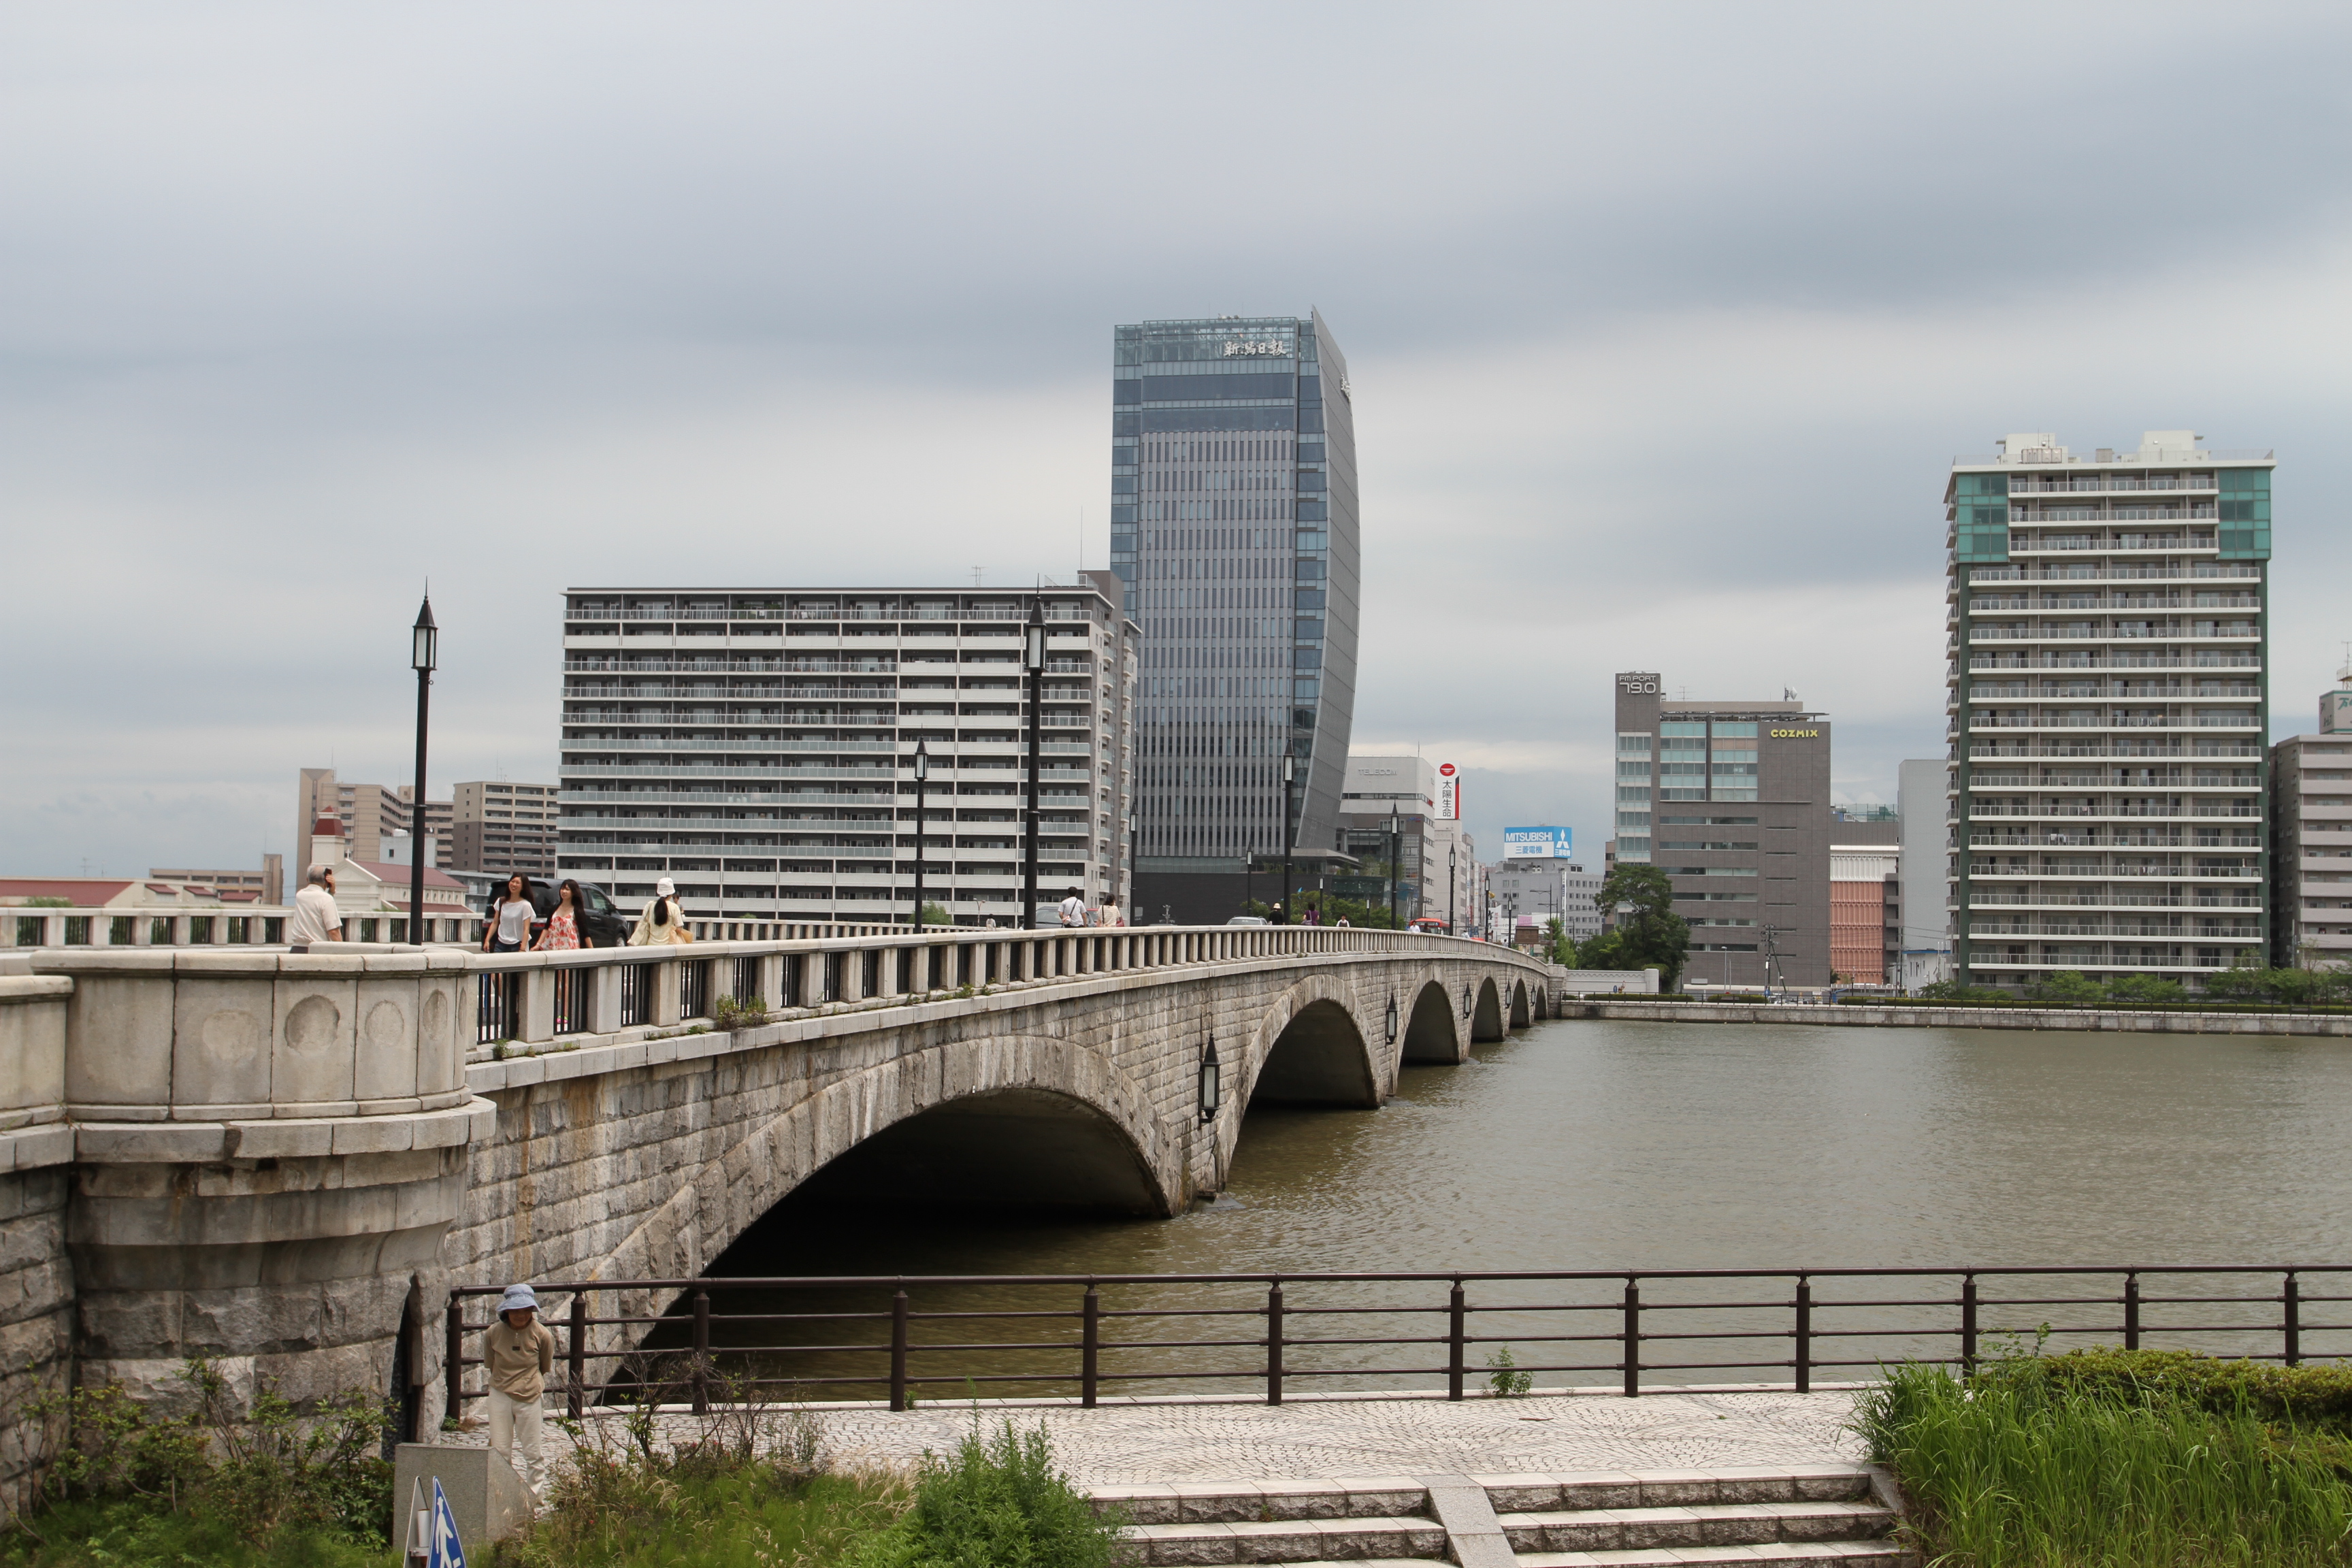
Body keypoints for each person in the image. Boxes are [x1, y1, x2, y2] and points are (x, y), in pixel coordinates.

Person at [483, 1283, 555, 1493]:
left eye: (526, 1310)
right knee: (500, 1450)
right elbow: (490, 1363)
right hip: (500, 1393)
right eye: (516, 1310)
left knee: (533, 1452)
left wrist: (527, 1382)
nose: (521, 1315)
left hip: (530, 1394)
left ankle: (535, 1501)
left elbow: (545, 1365)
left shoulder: (543, 1335)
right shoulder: (492, 1333)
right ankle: (502, 1498)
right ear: (507, 1311)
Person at [630, 877, 693, 945]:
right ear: (671, 893)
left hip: (650, 946)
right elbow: (679, 929)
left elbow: (644, 922)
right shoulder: (674, 907)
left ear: (659, 892)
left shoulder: (650, 905)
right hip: (668, 946)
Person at [290, 866, 343, 946]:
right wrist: (342, 951)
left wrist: (331, 893)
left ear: (307, 879)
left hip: (297, 948)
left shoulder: (300, 895)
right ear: (326, 881)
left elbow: (316, 901)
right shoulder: (327, 899)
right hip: (317, 949)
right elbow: (333, 931)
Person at [483, 874, 536, 953]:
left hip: (517, 944)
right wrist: (487, 940)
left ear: (523, 887)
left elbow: (526, 929)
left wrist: (522, 949)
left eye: (518, 883)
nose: (514, 884)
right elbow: (495, 922)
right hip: (500, 944)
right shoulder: (501, 902)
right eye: (512, 881)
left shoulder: (525, 905)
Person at [534, 879, 584, 951]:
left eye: (567, 889)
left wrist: (592, 953)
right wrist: (538, 945)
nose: (564, 891)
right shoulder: (554, 907)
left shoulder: (577, 910)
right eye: (562, 888)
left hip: (570, 950)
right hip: (553, 948)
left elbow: (585, 933)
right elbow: (547, 928)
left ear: (573, 892)